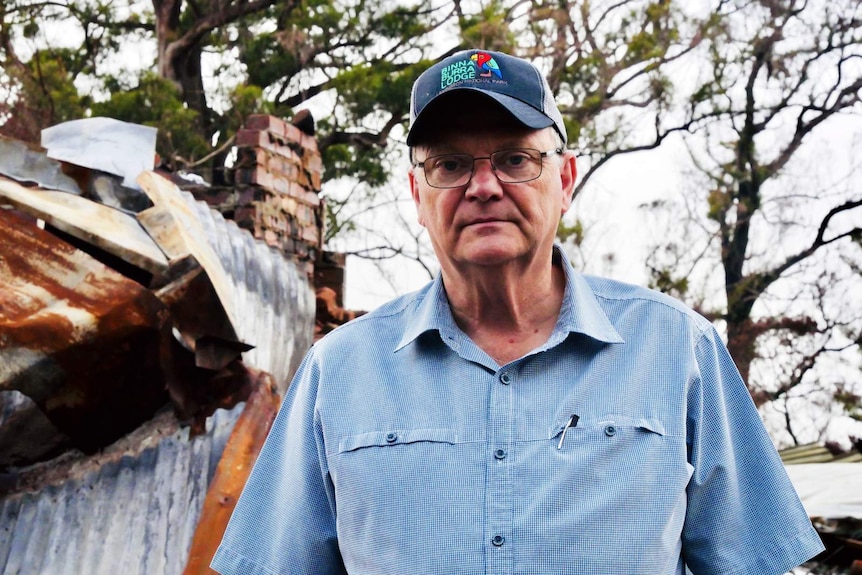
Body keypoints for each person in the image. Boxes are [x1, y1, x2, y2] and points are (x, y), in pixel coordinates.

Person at [211, 49, 824, 575]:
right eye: (449, 164)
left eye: (514, 159)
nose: (484, 186)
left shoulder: (677, 350)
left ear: (566, 179)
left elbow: (756, 561)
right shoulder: (337, 373)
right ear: (416, 195)